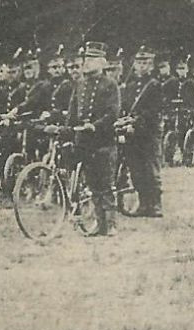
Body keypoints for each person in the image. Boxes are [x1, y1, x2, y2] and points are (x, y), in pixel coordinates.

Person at [69, 41, 122, 236]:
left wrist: (95, 125)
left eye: (91, 59)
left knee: (106, 183)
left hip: (103, 141)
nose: (87, 63)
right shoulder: (80, 84)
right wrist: (67, 130)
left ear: (102, 62)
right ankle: (100, 225)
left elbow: (112, 113)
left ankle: (111, 224)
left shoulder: (110, 85)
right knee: (92, 184)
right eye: (86, 59)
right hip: (84, 142)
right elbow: (73, 111)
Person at [119, 45, 165, 217]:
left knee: (151, 169)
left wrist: (137, 122)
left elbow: (154, 111)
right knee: (136, 169)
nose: (142, 66)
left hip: (148, 133)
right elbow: (125, 107)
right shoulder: (129, 86)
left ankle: (156, 204)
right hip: (132, 134)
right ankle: (144, 204)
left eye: (145, 63)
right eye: (139, 62)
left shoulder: (154, 85)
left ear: (151, 66)